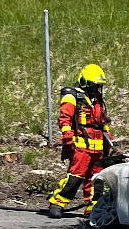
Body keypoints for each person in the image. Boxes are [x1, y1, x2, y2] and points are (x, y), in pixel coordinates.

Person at [47, 64, 113, 219]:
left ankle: (93, 208)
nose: (96, 88)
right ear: (84, 82)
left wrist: (109, 141)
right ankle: (57, 202)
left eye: (98, 85)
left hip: (97, 147)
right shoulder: (72, 96)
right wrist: (68, 140)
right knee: (76, 177)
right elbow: (65, 120)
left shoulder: (97, 99)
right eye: (93, 84)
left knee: (97, 180)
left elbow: (102, 121)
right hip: (81, 145)